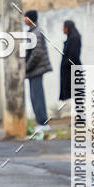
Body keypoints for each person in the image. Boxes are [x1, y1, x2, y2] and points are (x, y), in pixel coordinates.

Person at [23, 10, 53, 140]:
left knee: (38, 97)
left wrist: (27, 66)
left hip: (36, 69)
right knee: (34, 97)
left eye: (25, 17)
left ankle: (43, 123)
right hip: (32, 70)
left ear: (31, 19)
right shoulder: (31, 32)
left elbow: (37, 53)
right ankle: (40, 122)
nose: (24, 19)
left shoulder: (37, 32)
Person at [59, 19, 82, 106]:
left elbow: (74, 56)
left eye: (64, 27)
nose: (63, 29)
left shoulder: (74, 38)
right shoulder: (71, 37)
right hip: (71, 70)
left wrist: (65, 65)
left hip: (73, 70)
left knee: (77, 94)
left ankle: (81, 118)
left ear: (67, 28)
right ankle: (79, 117)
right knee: (76, 94)